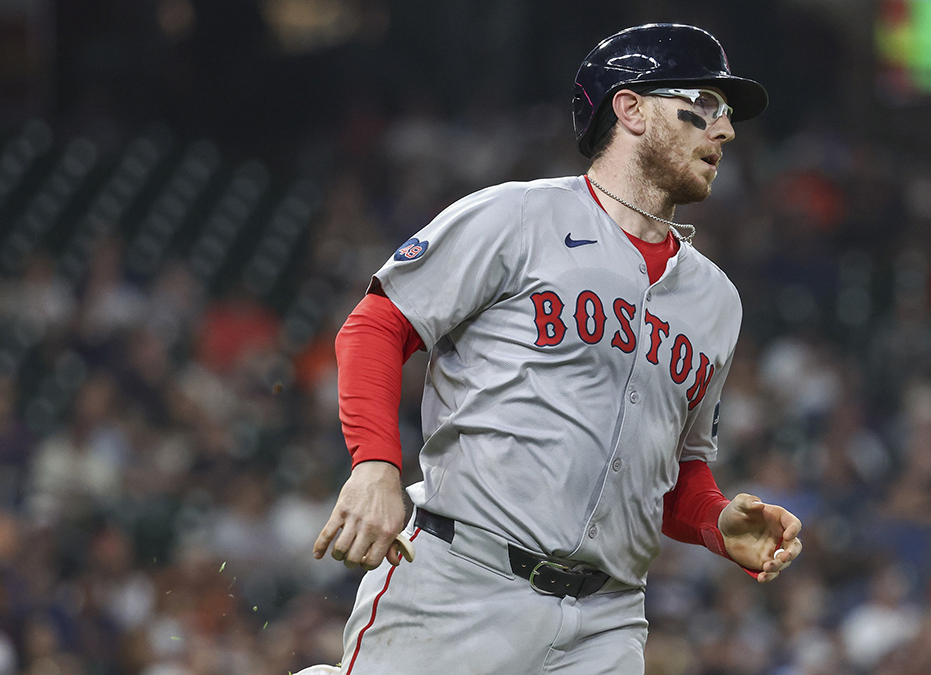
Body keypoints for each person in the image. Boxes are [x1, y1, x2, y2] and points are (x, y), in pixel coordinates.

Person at [300, 24, 803, 675]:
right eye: (704, 104)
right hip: (465, 583)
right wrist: (375, 463)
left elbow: (672, 474)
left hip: (608, 622)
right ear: (631, 109)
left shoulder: (715, 300)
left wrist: (715, 520)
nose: (725, 130)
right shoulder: (519, 217)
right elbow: (376, 324)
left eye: (728, 113)